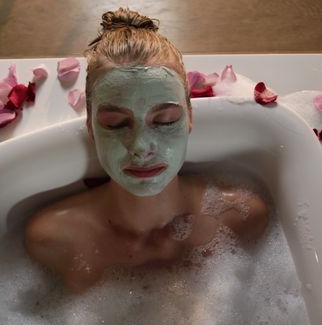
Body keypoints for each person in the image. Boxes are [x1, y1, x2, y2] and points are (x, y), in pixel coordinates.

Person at [25, 8, 268, 293]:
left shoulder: (240, 216)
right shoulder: (53, 239)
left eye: (165, 121)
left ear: (189, 117)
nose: (140, 147)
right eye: (115, 124)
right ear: (90, 127)